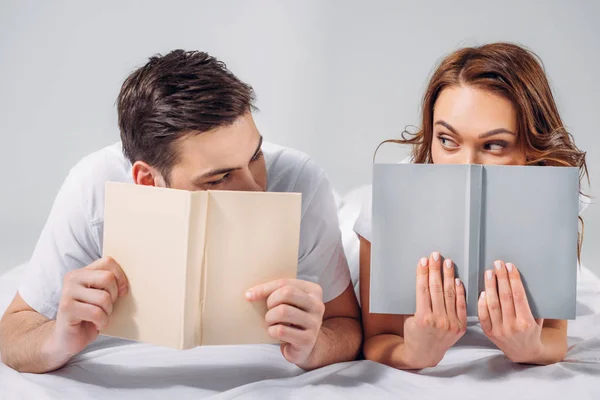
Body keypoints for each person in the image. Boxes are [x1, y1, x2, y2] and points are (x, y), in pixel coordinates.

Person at [0, 50, 362, 373]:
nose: (254, 189)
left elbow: (346, 325)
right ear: (145, 180)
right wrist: (59, 338)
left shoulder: (302, 178)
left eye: (255, 157)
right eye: (218, 179)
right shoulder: (93, 188)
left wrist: (315, 347)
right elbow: (13, 333)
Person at [355, 42, 588, 369]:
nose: (466, 165)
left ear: (531, 148)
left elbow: (554, 336)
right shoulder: (387, 201)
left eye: (494, 145)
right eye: (447, 140)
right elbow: (378, 339)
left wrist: (529, 348)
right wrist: (415, 353)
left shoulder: (551, 200)